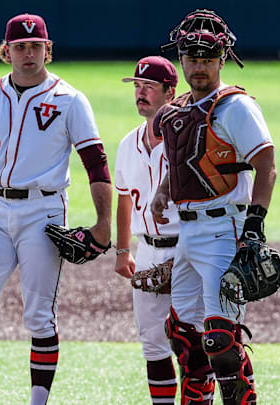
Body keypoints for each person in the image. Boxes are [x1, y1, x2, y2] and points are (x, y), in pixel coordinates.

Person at [0, 13, 112, 405]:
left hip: (44, 211)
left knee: (39, 316)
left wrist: (104, 223)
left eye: (36, 46)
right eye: (20, 47)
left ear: (47, 50)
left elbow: (96, 163)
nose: (29, 54)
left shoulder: (70, 100)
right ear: (7, 52)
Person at [152, 9, 277, 405]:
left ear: (223, 59)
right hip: (188, 232)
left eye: (208, 58)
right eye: (192, 58)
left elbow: (266, 166)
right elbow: (187, 159)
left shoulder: (235, 107)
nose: (199, 66)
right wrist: (162, 190)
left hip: (226, 229)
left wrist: (254, 225)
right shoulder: (179, 110)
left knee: (219, 337)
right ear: (181, 59)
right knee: (184, 335)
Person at [114, 56, 179, 405]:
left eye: (149, 87)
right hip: (147, 249)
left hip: (188, 247)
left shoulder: (187, 141)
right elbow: (123, 199)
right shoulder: (128, 143)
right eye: (137, 87)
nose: (140, 93)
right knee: (152, 342)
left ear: (170, 91)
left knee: (196, 340)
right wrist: (123, 251)